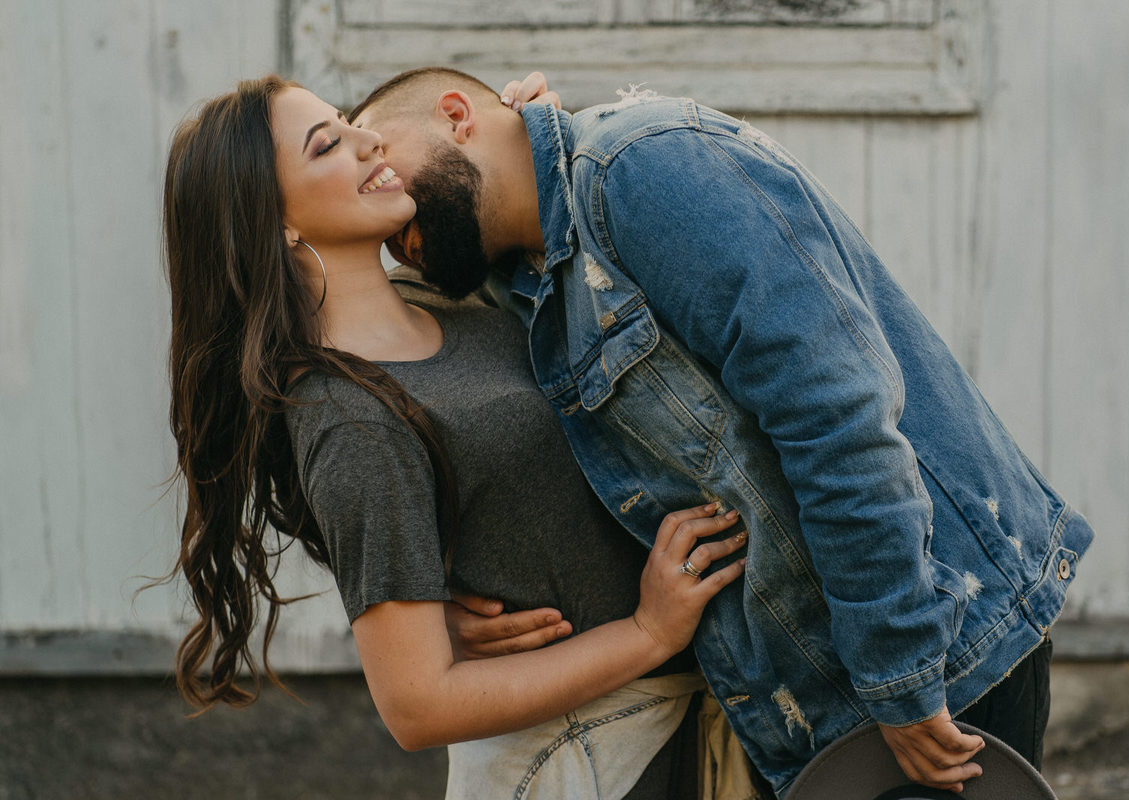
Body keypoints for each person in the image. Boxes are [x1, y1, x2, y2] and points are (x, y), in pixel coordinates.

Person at [348, 67, 1095, 796]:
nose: (379, 200)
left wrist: (901, 675)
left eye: (377, 155)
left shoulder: (639, 169)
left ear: (457, 115)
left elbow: (837, 418)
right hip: (805, 700)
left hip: (938, 649)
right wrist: (444, 613)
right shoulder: (523, 280)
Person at [160, 74, 750, 799]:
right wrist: (648, 632)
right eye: (326, 145)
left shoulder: (443, 299)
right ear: (274, 221)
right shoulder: (351, 416)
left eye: (346, 121)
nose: (368, 140)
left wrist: (517, 140)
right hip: (587, 763)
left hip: (694, 724)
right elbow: (417, 706)